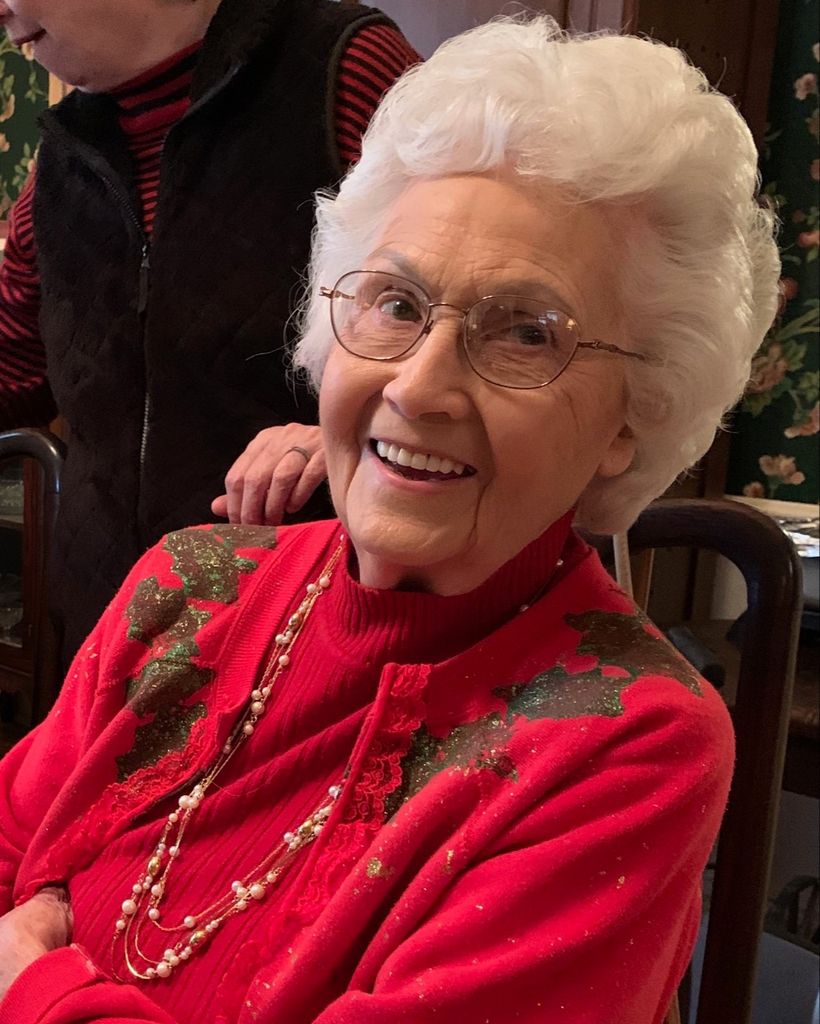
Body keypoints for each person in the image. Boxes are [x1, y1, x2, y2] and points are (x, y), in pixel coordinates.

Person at [0, 15, 779, 1024]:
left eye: (525, 332)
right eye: (397, 304)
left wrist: (33, 985)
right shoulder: (188, 587)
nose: (417, 387)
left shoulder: (626, 744)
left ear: (633, 417)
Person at [0, 0, 419, 665]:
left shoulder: (342, 69)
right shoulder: (62, 153)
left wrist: (355, 429)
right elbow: (14, 370)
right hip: (107, 625)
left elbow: (476, 318)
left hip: (305, 619)